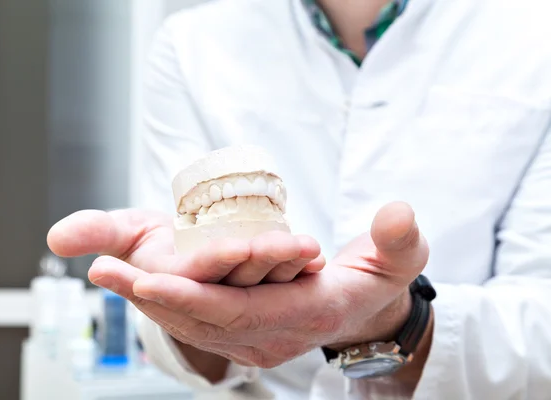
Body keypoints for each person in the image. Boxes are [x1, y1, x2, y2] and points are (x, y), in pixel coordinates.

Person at [47, 0, 551, 398]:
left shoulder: (534, 36)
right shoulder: (191, 46)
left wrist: (396, 323)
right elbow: (184, 338)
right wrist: (186, 308)